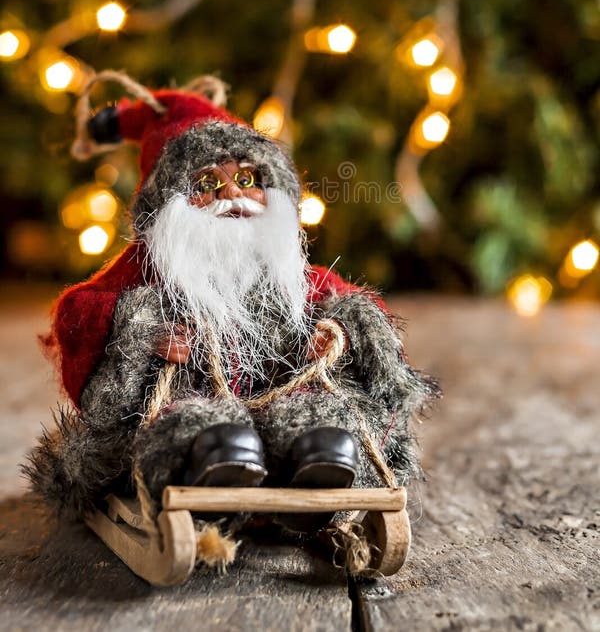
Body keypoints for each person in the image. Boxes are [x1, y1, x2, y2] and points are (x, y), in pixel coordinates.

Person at [27, 76, 438, 538]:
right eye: (207, 183)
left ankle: (315, 463)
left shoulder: (290, 275)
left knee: (323, 412)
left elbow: (355, 307)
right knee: (194, 424)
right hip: (186, 398)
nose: (232, 196)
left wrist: (338, 330)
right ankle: (215, 461)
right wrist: (142, 329)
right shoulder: (149, 269)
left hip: (282, 394)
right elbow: (80, 312)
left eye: (247, 178)